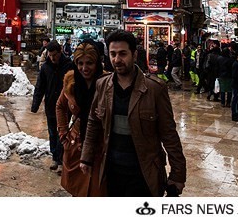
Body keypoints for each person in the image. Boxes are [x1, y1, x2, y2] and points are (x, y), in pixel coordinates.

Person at [80, 30, 186, 197]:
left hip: (144, 173)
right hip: (112, 171)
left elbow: (169, 134)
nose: (117, 60)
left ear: (134, 55)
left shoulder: (154, 89)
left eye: (122, 54)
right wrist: (86, 157)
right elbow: (93, 122)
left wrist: (177, 175)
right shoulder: (102, 85)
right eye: (113, 54)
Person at [56, 41, 104, 196]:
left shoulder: (107, 82)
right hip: (75, 144)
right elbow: (60, 106)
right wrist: (63, 133)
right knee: (77, 190)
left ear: (97, 62)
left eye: (89, 63)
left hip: (99, 145)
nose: (84, 68)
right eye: (80, 63)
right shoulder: (70, 82)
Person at [31, 40, 73, 172]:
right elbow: (40, 86)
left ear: (60, 52)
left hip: (65, 106)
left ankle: (60, 160)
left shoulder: (69, 66)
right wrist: (35, 104)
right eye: (50, 55)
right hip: (50, 105)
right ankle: (55, 157)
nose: (52, 58)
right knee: (52, 132)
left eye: (54, 55)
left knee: (62, 132)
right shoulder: (45, 67)